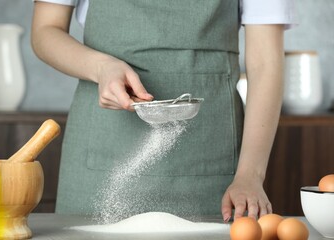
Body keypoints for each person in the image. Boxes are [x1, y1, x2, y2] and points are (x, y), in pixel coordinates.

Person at [31, 0, 295, 222]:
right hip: (102, 149)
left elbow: (265, 63)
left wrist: (250, 175)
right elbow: (45, 30)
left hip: (212, 158)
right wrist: (100, 68)